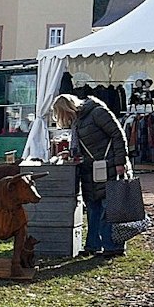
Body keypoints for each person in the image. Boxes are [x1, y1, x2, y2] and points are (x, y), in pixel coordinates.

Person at [52, 92, 130, 257]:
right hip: (92, 169)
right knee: (94, 208)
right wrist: (71, 153)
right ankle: (94, 245)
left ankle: (111, 246)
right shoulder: (80, 119)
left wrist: (119, 162)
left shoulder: (97, 112)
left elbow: (118, 134)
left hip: (108, 166)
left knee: (108, 208)